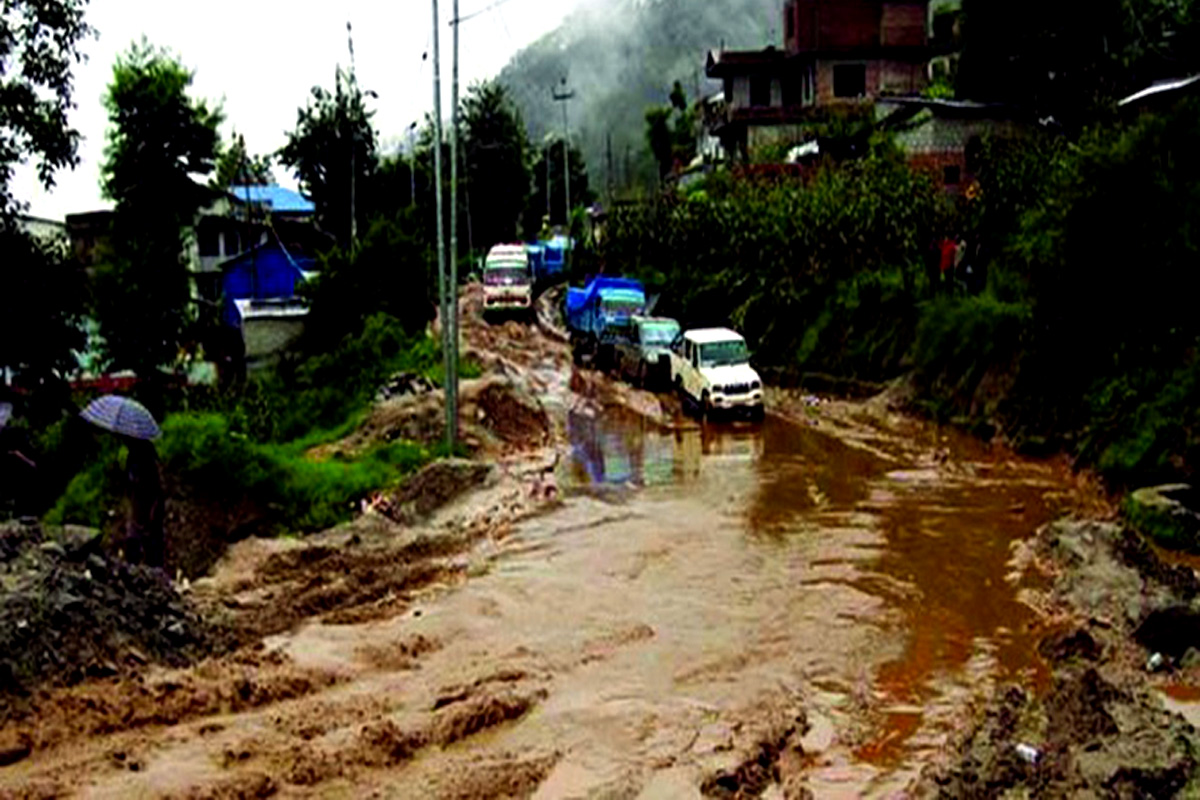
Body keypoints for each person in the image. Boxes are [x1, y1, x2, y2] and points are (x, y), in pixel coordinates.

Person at [122, 437, 165, 569]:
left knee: (151, 542)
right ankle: (132, 569)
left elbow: (158, 490)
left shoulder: (149, 463)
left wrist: (153, 511)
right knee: (132, 541)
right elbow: (128, 484)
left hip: (148, 507)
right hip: (136, 507)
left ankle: (153, 572)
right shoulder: (131, 459)